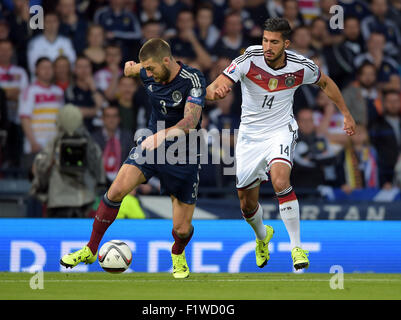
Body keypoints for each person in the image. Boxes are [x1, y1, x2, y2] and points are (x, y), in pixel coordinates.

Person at [206, 17, 356, 271]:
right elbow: (215, 86)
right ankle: (262, 237)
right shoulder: (247, 59)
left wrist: (346, 113)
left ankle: (296, 247)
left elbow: (326, 83)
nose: (267, 46)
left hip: (281, 130)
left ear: (286, 43)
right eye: (265, 40)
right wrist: (214, 93)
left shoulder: (301, 66)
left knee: (280, 181)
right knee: (246, 203)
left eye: (274, 42)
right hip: (250, 137)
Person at [60, 38, 206, 279]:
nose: (147, 74)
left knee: (181, 230)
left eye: (151, 68)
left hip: (184, 154)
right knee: (115, 191)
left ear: (167, 61)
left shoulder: (193, 79)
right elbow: (131, 69)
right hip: (151, 145)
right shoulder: (148, 71)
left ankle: (178, 253)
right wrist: (130, 68)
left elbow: (190, 122)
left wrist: (161, 136)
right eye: (145, 68)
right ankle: (90, 249)